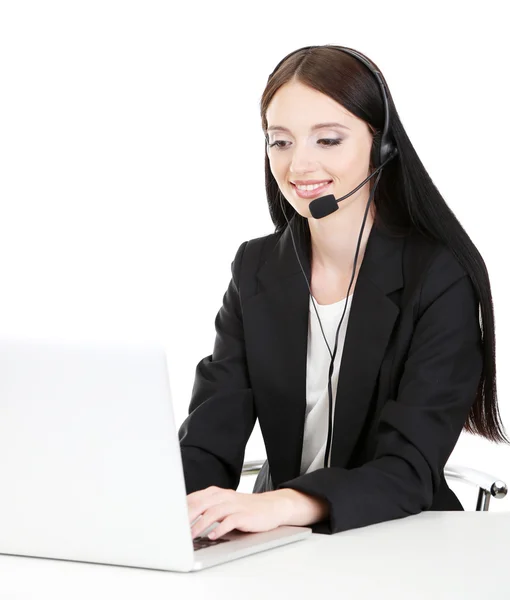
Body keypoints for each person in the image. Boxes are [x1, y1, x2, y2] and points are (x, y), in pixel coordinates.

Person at [179, 44, 508, 540]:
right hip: (280, 537)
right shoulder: (256, 268)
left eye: (328, 140)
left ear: (382, 146)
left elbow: (409, 468)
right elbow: (210, 432)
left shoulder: (437, 276)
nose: (299, 165)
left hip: (401, 537)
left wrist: (283, 504)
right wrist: (178, 508)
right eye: (280, 142)